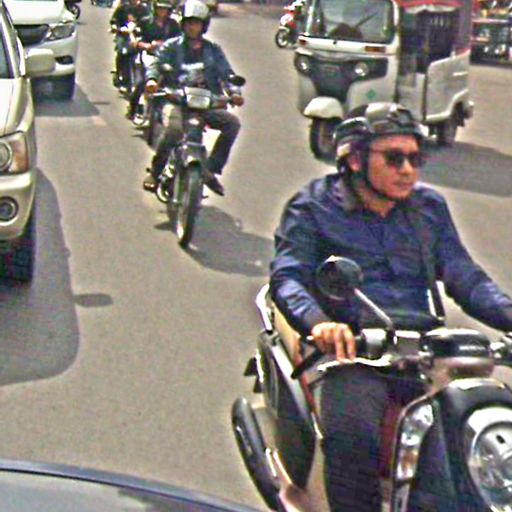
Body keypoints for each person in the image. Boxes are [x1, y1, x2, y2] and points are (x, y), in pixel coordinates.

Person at [269, 102, 512, 511]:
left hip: (424, 351)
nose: (408, 170)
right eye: (394, 158)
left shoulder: (429, 209)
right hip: (353, 354)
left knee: (485, 425)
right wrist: (321, 324)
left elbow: (465, 277)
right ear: (356, 160)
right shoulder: (312, 207)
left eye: (416, 158)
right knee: (352, 437)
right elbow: (288, 277)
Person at [143, 0, 245, 196]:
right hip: (176, 100)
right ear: (183, 24)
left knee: (232, 124)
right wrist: (152, 80)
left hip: (205, 103)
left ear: (203, 25)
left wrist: (235, 93)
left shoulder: (213, 50)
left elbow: (228, 74)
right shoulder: (172, 46)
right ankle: (155, 172)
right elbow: (156, 64)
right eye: (189, 23)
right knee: (174, 130)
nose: (192, 27)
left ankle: (210, 169)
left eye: (196, 23)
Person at [126, 0, 181, 120]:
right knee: (143, 82)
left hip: (167, 58)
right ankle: (133, 107)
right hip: (148, 55)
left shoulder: (173, 25)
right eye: (160, 9)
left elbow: (180, 41)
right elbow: (135, 40)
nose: (162, 12)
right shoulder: (145, 22)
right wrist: (146, 45)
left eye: (165, 9)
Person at [110, 0, 151, 90]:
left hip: (137, 37)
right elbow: (114, 20)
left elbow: (147, 23)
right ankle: (120, 73)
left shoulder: (143, 9)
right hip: (123, 35)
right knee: (122, 52)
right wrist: (115, 27)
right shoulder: (123, 8)